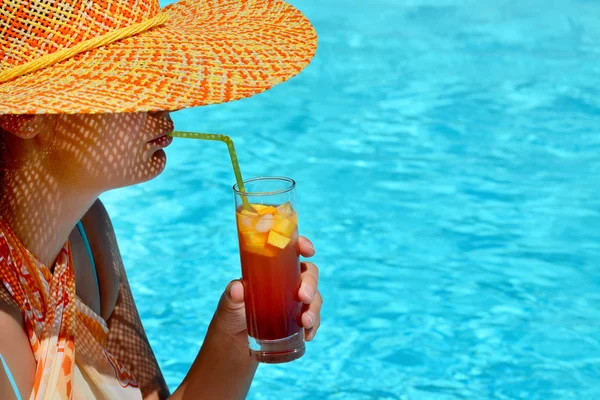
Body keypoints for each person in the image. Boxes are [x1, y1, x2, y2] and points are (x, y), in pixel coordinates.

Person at [0, 0, 321, 399]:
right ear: (25, 113)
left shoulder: (87, 233)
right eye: (130, 80)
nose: (163, 105)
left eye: (155, 79)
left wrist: (236, 342)